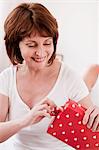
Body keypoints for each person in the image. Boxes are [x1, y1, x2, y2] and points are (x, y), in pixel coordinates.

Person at [0, 2, 99, 150]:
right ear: (16, 45)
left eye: (47, 43)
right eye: (31, 45)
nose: (41, 53)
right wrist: (26, 120)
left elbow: (92, 134)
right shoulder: (7, 78)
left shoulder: (69, 77)